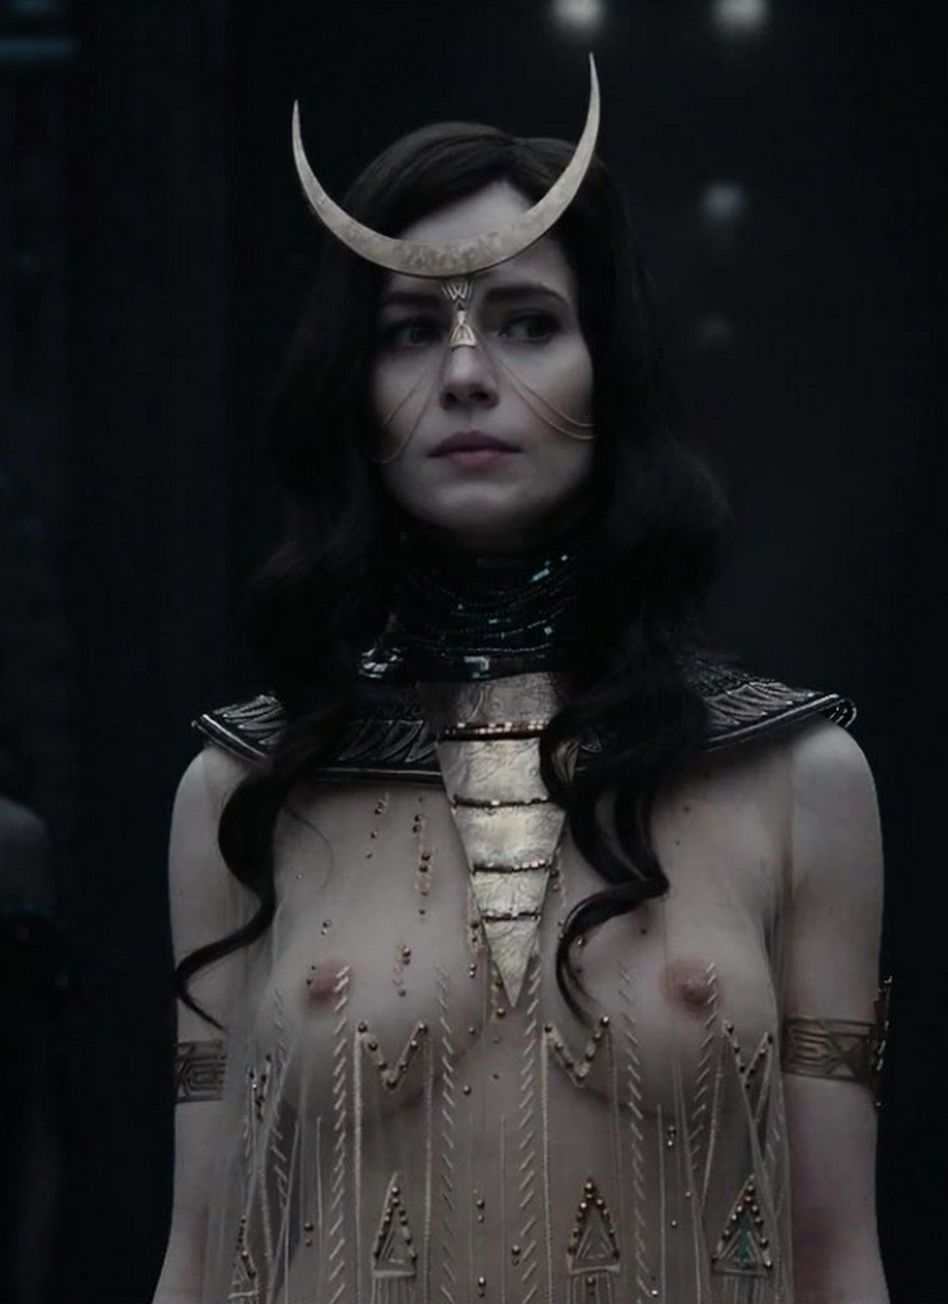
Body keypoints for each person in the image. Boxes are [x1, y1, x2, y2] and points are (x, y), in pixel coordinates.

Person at [153, 59, 891, 1304]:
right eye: (408, 330)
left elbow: (837, 1259)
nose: (464, 373)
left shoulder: (796, 779)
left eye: (527, 322)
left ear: (609, 364)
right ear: (354, 386)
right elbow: (197, 1252)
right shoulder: (243, 787)